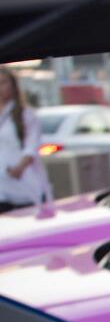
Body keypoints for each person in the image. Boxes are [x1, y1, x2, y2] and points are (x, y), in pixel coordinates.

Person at [0, 67, 52, 213]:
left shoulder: (25, 114)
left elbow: (32, 146)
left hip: (23, 181)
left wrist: (19, 168)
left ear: (13, 85)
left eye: (3, 82)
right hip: (2, 185)